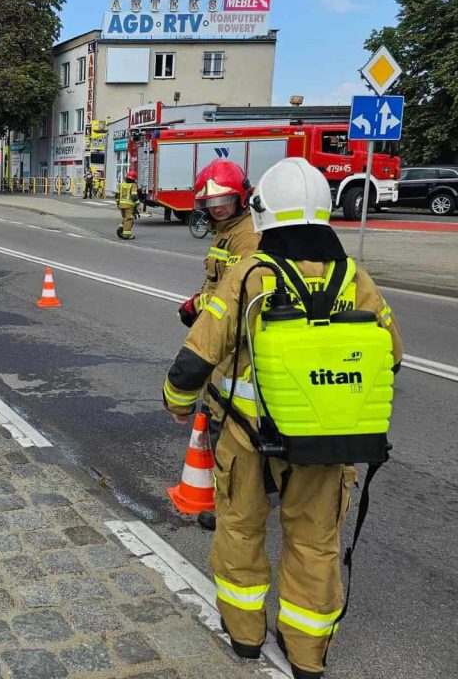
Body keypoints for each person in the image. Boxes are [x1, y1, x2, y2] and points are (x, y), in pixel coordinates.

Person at [162, 158, 402, 679]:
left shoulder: (252, 274)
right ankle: (307, 655)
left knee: (241, 529)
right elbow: (392, 356)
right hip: (327, 442)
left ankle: (245, 635)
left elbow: (199, 352)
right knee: (316, 544)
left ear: (261, 209)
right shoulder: (354, 276)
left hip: (249, 437)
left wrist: (178, 403)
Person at [178, 160, 261, 530]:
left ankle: (229, 507)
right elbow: (216, 285)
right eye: (211, 203)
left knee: (228, 427)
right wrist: (198, 304)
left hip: (235, 347)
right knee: (220, 418)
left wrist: (201, 310)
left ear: (240, 197)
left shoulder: (248, 236)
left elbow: (237, 294)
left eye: (225, 200)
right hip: (223, 342)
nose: (218, 208)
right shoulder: (225, 232)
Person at [117, 169, 138, 239]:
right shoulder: (133, 185)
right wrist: (138, 204)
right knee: (129, 219)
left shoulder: (122, 185)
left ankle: (121, 228)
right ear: (134, 179)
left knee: (125, 218)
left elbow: (117, 195)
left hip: (121, 205)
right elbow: (134, 196)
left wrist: (118, 203)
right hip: (129, 205)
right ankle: (126, 235)